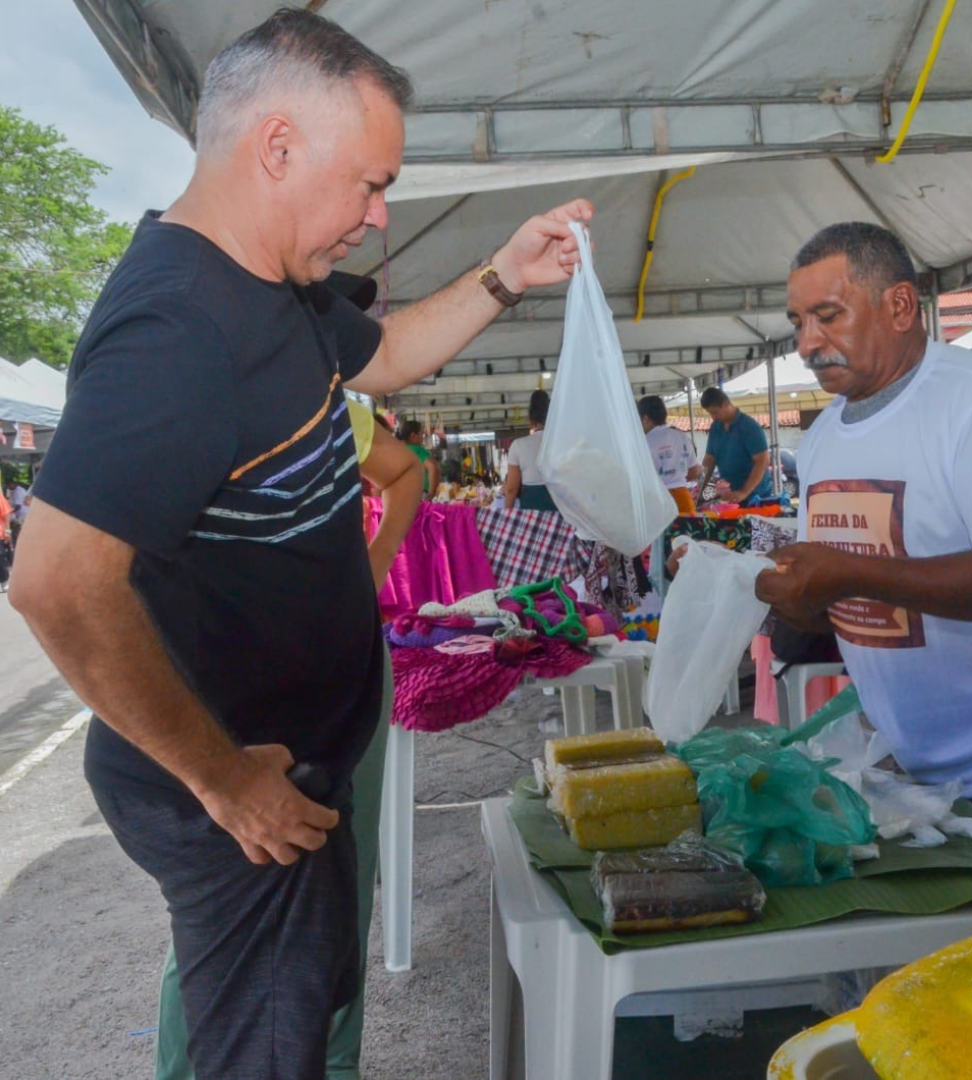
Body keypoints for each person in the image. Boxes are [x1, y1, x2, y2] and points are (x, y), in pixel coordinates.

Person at [8, 8, 593, 1077]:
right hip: (246, 788)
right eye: (369, 183)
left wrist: (505, 274)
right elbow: (54, 582)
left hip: (292, 761)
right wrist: (224, 780)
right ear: (275, 148)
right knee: (262, 1051)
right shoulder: (177, 327)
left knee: (308, 1018)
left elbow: (385, 358)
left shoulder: (278, 285)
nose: (377, 218)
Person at [754, 220, 972, 868]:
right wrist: (792, 596)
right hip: (911, 769)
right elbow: (852, 601)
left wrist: (851, 572)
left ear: (900, 306)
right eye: (798, 324)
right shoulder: (821, 441)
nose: (808, 344)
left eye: (827, 316)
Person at [155, 394, 423, 1080]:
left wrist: (367, 574)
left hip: (343, 665)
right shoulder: (181, 388)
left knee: (342, 880)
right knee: (222, 897)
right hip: (231, 676)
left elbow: (404, 473)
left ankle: (334, 1066)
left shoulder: (328, 400)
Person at [696, 386, 774, 506]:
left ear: (726, 404)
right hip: (731, 494)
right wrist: (700, 488)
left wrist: (744, 492)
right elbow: (709, 460)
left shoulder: (749, 427)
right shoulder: (715, 428)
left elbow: (763, 461)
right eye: (710, 413)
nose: (713, 417)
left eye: (715, 412)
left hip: (756, 496)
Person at [637, 394, 701, 514]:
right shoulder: (681, 436)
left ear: (645, 419)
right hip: (683, 498)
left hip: (657, 500)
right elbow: (694, 470)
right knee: (686, 531)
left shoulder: (643, 443)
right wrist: (677, 478)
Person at [503, 388, 559, 511]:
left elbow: (512, 488)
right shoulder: (562, 443)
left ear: (530, 418)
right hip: (559, 507)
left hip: (531, 507)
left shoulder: (517, 446)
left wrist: (506, 512)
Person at [396, 418, 440, 498]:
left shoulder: (400, 451)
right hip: (421, 493)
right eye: (421, 434)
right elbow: (433, 468)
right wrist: (431, 494)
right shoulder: (417, 450)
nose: (423, 438)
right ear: (413, 436)